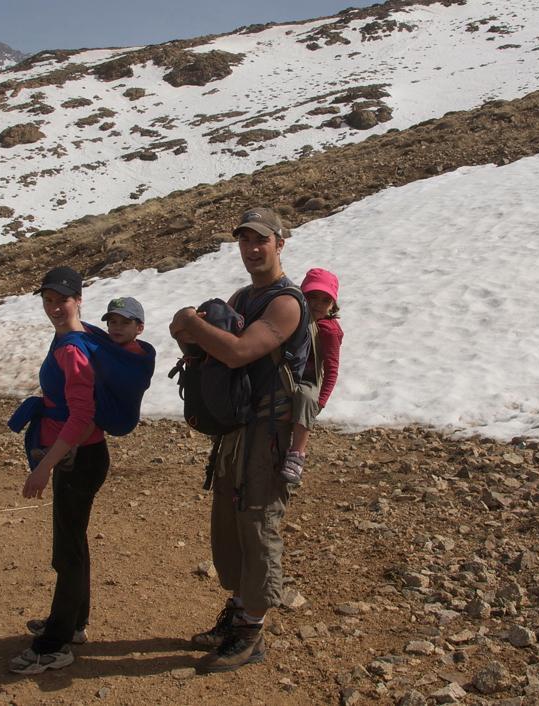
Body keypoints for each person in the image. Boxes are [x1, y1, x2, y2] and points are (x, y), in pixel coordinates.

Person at [169, 207, 311, 673]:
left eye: (261, 241)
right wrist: (188, 335)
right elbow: (210, 351)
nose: (252, 250)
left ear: (279, 243)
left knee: (258, 525)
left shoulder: (285, 303)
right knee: (231, 525)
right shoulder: (242, 296)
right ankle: (238, 614)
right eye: (245, 242)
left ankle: (251, 633)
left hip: (268, 434)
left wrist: (192, 324)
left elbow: (237, 353)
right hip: (239, 432)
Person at [8, 266, 110, 675]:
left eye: (61, 299)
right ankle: (73, 624)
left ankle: (54, 646)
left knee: (66, 551)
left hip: (77, 457)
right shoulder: (77, 334)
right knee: (73, 542)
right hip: (82, 455)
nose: (53, 307)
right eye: (48, 300)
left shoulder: (72, 348)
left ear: (78, 298)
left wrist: (44, 467)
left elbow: (83, 414)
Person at [281, 268, 344, 484]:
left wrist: (321, 401)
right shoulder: (293, 317)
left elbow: (332, 369)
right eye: (312, 297)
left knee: (306, 398)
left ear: (333, 305)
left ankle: (296, 454)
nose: (317, 304)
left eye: (325, 300)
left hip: (308, 379)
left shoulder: (329, 331)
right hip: (286, 372)